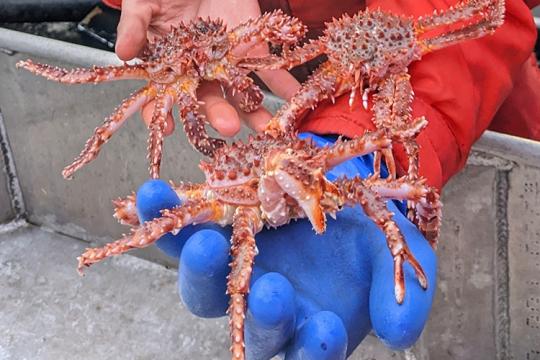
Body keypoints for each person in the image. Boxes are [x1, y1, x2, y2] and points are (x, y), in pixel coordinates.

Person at [102, 0, 540, 358]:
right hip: (307, 65)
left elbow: (487, 13)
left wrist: (365, 137)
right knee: (166, 217)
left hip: (460, 84)